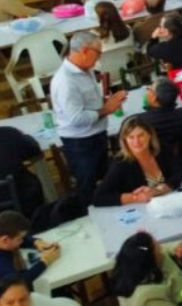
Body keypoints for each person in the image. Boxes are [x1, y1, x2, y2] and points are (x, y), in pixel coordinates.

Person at [50, 32, 126, 201]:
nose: (99, 58)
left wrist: (106, 103)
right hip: (80, 142)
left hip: (96, 134)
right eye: (98, 53)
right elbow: (77, 118)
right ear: (84, 50)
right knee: (87, 186)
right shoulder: (65, 82)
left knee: (104, 180)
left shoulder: (86, 70)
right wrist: (106, 110)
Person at [0, 210, 60, 306]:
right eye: (19, 239)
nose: (21, 241)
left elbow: (17, 239)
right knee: (56, 291)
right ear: (5, 240)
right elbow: (19, 282)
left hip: (6, 280)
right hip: (1, 302)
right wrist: (45, 261)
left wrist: (36, 242)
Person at [94, 116, 182, 207]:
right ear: (125, 140)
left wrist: (159, 190)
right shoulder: (121, 164)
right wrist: (136, 197)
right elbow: (99, 197)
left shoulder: (161, 150)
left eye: (140, 135)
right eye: (131, 137)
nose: (136, 142)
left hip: (171, 204)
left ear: (149, 135)